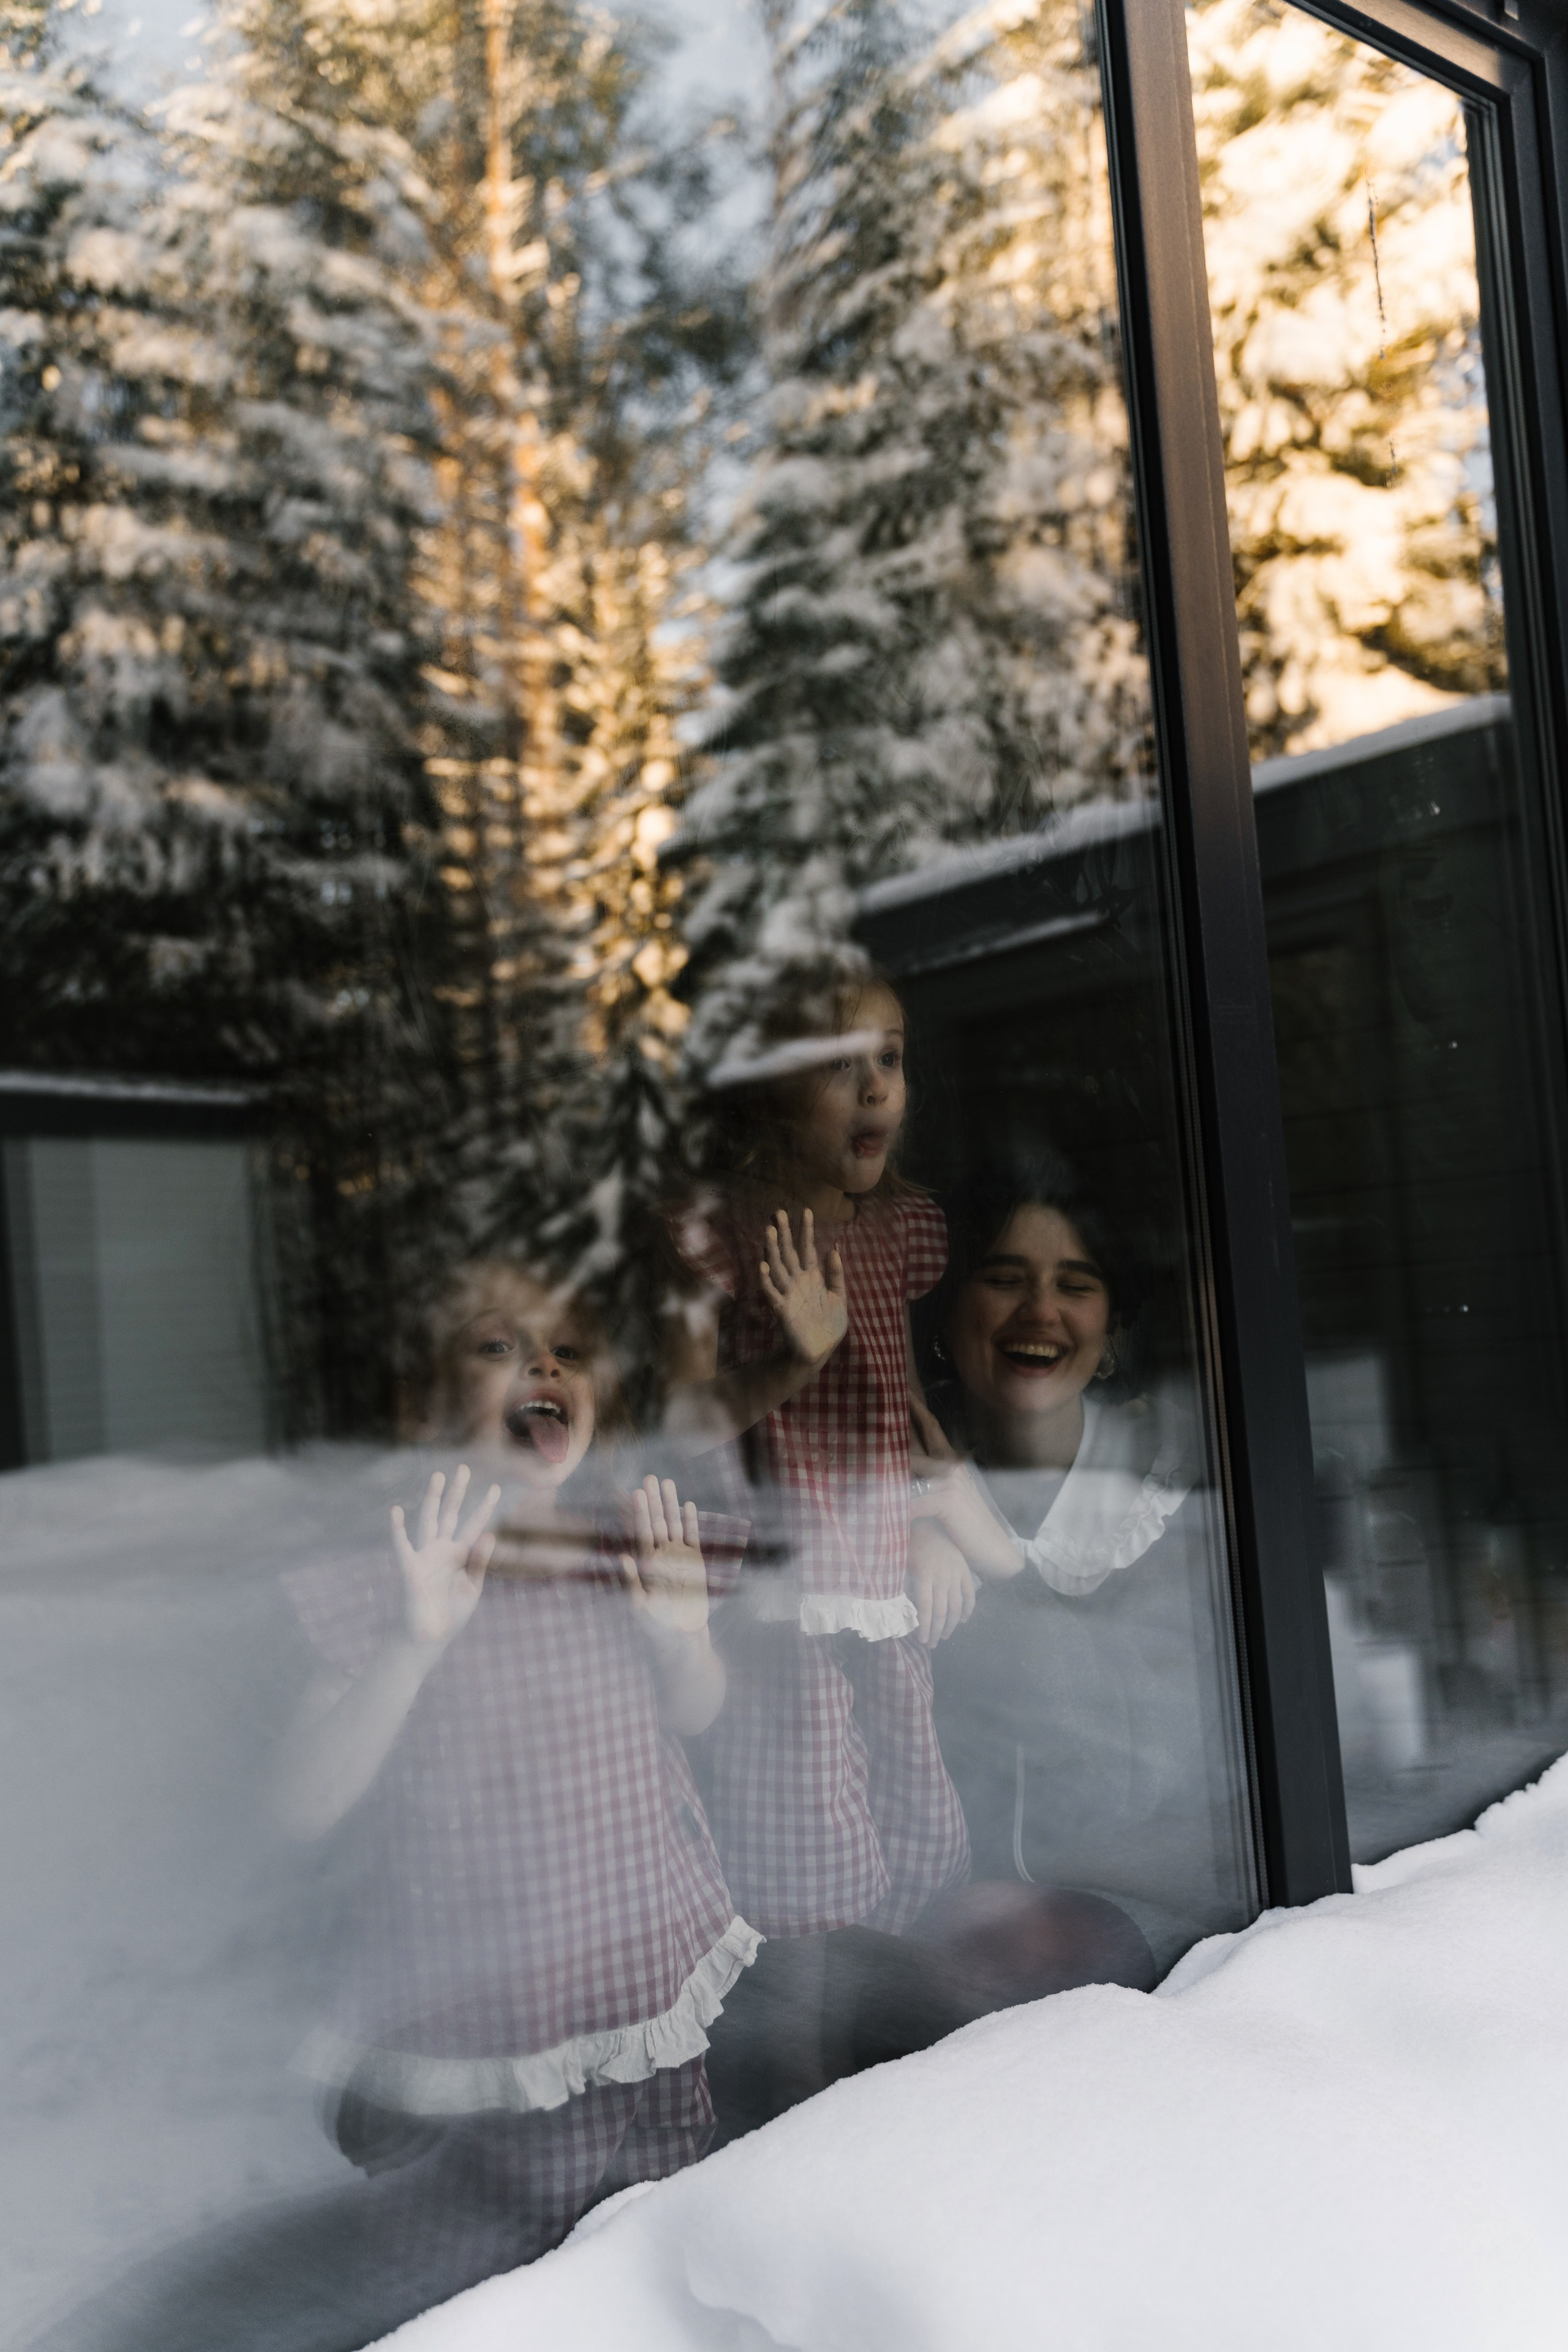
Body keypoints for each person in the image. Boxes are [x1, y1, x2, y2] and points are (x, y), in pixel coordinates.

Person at [273, 1259, 759, 2315]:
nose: (544, 1363)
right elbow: (303, 1805)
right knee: (478, 2289)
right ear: (425, 1402)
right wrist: (410, 1644)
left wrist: (681, 1639)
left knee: (653, 2263)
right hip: (490, 2024)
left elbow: (698, 1713)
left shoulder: (622, 1542)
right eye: (500, 1345)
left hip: (642, 1985)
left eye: (569, 1351)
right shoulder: (389, 1571)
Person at [662, 957, 971, 2123]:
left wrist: (938, 1522)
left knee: (918, 1816)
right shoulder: (722, 1234)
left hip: (881, 1577)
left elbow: (904, 1403)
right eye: (838, 1069)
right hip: (777, 1595)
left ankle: (889, 2081)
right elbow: (683, 1424)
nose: (876, 1088)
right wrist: (792, 1356)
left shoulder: (897, 1230)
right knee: (809, 1857)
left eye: (889, 1059)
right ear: (764, 1098)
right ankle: (791, 2108)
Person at [910, 1162, 1250, 1970]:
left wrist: (990, 1556)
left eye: (1076, 1284)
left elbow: (1140, 1758)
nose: (1041, 1312)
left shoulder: (1169, 1498)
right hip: (938, 1943)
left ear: (1112, 1335)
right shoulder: (898, 1476)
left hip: (1152, 1936)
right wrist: (914, 1529)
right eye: (1004, 1279)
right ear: (947, 1316)